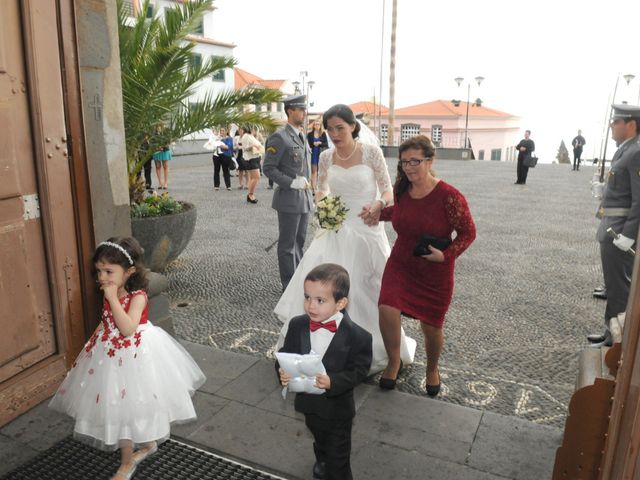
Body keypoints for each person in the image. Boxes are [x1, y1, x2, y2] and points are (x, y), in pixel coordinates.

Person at [274, 103, 416, 374]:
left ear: (352, 126)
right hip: (336, 231)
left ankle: (377, 349)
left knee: (368, 288)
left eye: (340, 127)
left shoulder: (371, 153)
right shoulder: (327, 157)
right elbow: (322, 189)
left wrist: (377, 205)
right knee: (325, 288)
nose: (335, 134)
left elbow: (388, 192)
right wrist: (324, 206)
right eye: (329, 129)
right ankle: (320, 348)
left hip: (366, 228)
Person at [49, 237, 205, 480]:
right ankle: (143, 446)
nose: (102, 277)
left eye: (109, 271)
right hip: (110, 354)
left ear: (129, 271)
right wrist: (93, 340)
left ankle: (128, 462)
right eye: (99, 271)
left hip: (136, 354)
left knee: (133, 404)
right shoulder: (110, 292)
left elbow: (128, 327)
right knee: (117, 404)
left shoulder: (137, 296)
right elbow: (107, 320)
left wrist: (112, 299)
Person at [367, 135, 476, 395]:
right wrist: (377, 214)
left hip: (434, 270)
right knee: (387, 308)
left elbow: (468, 233)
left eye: (415, 161)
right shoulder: (402, 189)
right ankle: (394, 361)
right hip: (402, 262)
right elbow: (401, 213)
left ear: (430, 160)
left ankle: (432, 368)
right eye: (404, 162)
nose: (409, 167)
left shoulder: (450, 196)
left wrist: (446, 256)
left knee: (432, 325)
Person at [276, 263, 372, 480]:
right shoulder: (298, 325)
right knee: (319, 438)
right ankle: (322, 458)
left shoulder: (358, 337)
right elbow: (285, 354)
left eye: (320, 300)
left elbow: (359, 371)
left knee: (338, 461)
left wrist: (333, 381)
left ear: (341, 303)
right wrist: (282, 372)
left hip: (337, 410)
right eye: (307, 297)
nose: (311, 305)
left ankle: (333, 468)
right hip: (308, 405)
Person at [587, 105, 640, 347]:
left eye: (615, 121)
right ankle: (611, 332)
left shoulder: (636, 152)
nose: (611, 126)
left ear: (631, 124)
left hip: (619, 231)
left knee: (619, 289)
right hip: (611, 225)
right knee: (613, 285)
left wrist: (629, 234)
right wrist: (603, 193)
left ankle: (616, 343)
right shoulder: (624, 150)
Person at [263, 95, 314, 290]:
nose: (304, 113)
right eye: (300, 109)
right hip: (289, 199)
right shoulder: (280, 137)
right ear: (290, 111)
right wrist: (291, 183)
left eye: (305, 109)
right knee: (287, 246)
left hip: (304, 199)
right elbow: (268, 168)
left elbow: (305, 169)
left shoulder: (302, 136)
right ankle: (289, 287)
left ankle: (298, 282)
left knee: (299, 243)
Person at [241, 126, 264, 203]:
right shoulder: (246, 136)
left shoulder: (251, 136)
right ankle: (250, 195)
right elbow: (245, 148)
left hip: (255, 158)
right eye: (253, 128)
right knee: (256, 177)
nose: (254, 130)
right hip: (250, 159)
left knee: (253, 178)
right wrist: (253, 146)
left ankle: (250, 195)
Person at [307, 118, 328, 192]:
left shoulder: (323, 134)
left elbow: (326, 144)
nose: (317, 125)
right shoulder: (309, 134)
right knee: (314, 172)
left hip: (321, 155)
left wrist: (320, 143)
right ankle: (313, 189)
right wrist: (313, 144)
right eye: (315, 124)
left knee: (321, 172)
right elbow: (308, 145)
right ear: (313, 126)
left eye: (318, 124)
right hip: (313, 155)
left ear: (320, 125)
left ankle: (321, 188)